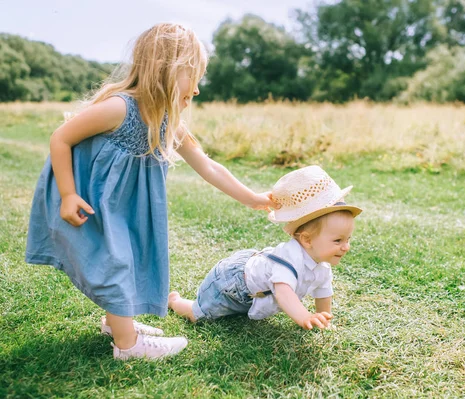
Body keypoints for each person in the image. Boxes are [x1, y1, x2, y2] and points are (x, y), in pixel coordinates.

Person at [25, 23, 277, 360]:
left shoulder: (168, 122)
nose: (198, 90)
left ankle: (118, 325)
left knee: (129, 258)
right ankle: (128, 346)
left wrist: (253, 197)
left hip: (121, 205)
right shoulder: (119, 108)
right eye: (194, 77)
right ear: (166, 71)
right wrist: (69, 194)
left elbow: (208, 165)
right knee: (115, 263)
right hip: (89, 197)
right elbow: (61, 137)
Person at [168, 165, 362, 330]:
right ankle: (175, 301)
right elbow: (284, 293)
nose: (346, 247)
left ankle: (241, 308)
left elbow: (323, 292)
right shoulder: (289, 261)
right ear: (307, 240)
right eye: (338, 241)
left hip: (254, 288)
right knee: (200, 316)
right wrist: (304, 317)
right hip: (232, 282)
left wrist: (323, 317)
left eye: (348, 239)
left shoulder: (322, 266)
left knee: (238, 316)